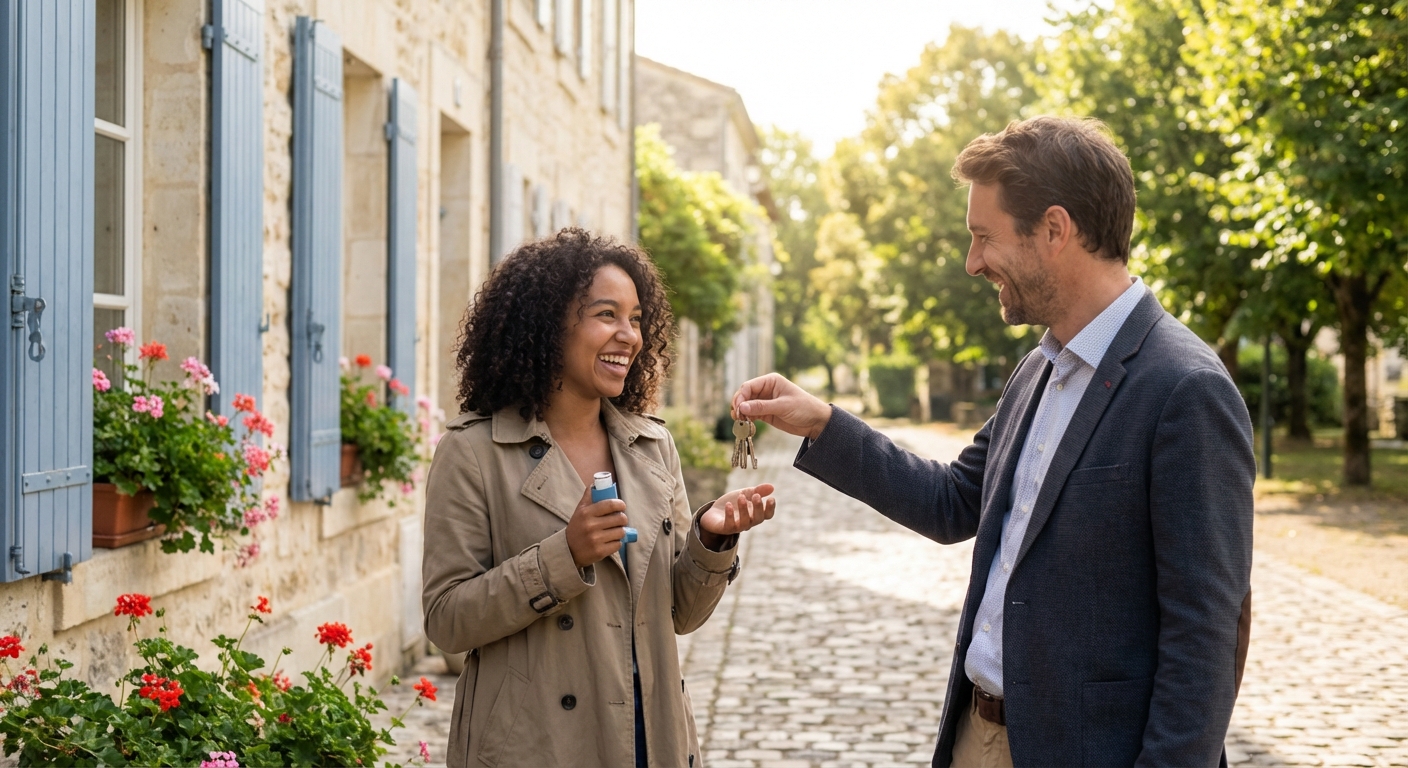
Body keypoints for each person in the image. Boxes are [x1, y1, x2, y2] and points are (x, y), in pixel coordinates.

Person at [733, 117, 1253, 767]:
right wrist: (822, 423)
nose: (973, 262)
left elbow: (1205, 637)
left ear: (1055, 230)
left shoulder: (1186, 390)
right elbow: (955, 501)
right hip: (977, 737)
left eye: (984, 237)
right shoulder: (1040, 368)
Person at [423, 229, 776, 768]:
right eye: (606, 314)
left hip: (649, 736)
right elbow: (447, 620)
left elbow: (678, 612)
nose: (629, 336)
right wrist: (563, 557)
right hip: (536, 746)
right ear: (547, 325)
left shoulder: (652, 446)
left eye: (636, 319)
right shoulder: (473, 453)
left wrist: (712, 540)